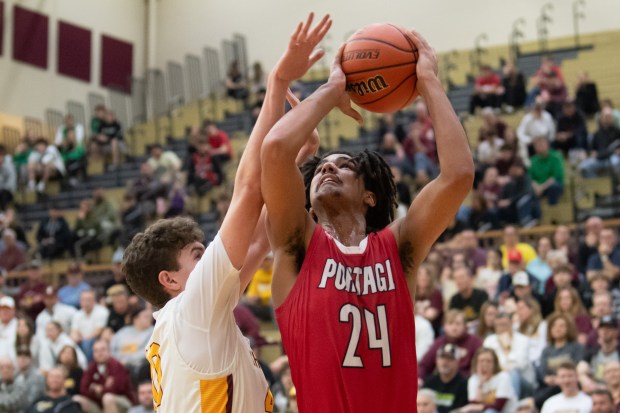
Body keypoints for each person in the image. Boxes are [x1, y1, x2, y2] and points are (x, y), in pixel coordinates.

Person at [122, 13, 330, 412]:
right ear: (170, 279)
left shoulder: (190, 318)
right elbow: (249, 190)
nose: (211, 255)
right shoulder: (192, 312)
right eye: (198, 256)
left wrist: (292, 167)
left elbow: (256, 241)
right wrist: (278, 84)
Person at [260, 25, 474, 411]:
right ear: (306, 203)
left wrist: (427, 82)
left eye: (344, 166)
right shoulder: (297, 247)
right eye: (322, 167)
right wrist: (332, 91)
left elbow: (458, 175)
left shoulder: (398, 247)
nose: (329, 169)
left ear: (370, 196)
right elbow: (275, 150)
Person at [73, 339, 135, 413]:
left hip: (123, 402)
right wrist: (101, 388)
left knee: (107, 398)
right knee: (77, 399)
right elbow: (83, 389)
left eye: (103, 350)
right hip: (99, 405)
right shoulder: (91, 368)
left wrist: (98, 388)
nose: (99, 353)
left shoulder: (116, 365)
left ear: (109, 351)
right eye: (96, 351)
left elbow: (119, 388)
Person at [461, 347, 517, 413]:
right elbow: (474, 405)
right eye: (481, 361)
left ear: (494, 364)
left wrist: (473, 407)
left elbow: (498, 406)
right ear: (476, 363)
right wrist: (480, 385)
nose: (485, 364)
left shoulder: (503, 377)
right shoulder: (473, 380)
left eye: (488, 361)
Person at [423, 343, 469, 413]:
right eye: (442, 357)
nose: (445, 362)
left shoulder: (464, 384)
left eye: (450, 358)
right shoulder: (429, 382)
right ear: (436, 360)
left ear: (457, 362)